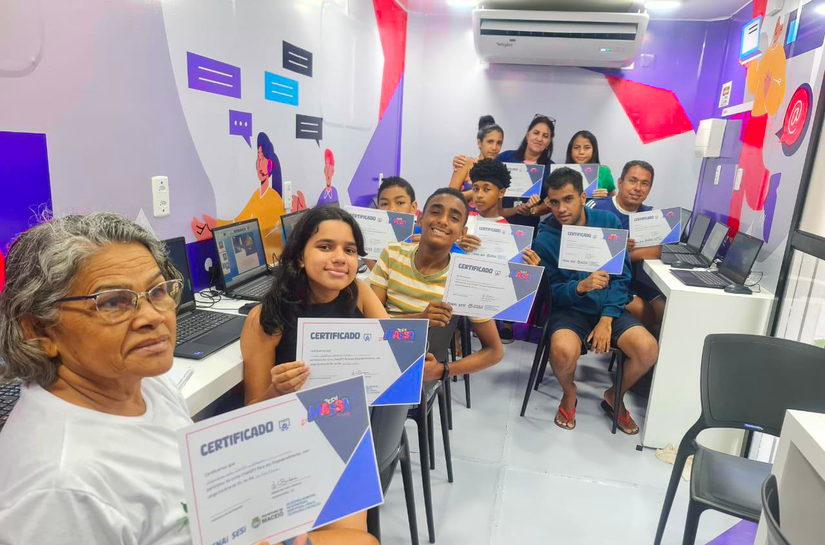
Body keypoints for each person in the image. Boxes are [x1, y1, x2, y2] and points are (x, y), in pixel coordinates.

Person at [0, 212, 376, 545]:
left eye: (158, 291)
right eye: (113, 301)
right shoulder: (59, 488)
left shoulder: (144, 382)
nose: (152, 316)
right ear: (38, 331)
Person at [533, 168, 659, 434]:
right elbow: (551, 293)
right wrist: (580, 286)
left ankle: (615, 395)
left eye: (568, 199)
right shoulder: (545, 238)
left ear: (582, 196)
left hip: (608, 309)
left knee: (647, 349)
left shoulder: (608, 223)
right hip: (570, 310)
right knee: (563, 351)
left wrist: (606, 318)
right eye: (554, 202)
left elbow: (622, 278)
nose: (561, 209)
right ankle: (569, 392)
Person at [369, 188, 518, 379]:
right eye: (436, 212)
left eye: (454, 218)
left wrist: (443, 370)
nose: (443, 220)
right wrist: (420, 319)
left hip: (416, 371)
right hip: (376, 351)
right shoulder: (392, 253)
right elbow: (372, 323)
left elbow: (494, 352)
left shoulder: (466, 278)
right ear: (420, 219)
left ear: (462, 233)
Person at [590, 160, 665, 334]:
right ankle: (629, 348)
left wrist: (618, 253)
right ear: (620, 182)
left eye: (645, 183)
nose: (638, 188)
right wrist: (620, 248)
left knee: (664, 309)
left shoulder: (649, 215)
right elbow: (586, 249)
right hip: (602, 279)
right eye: (632, 181)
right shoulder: (596, 208)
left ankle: (645, 354)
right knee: (644, 311)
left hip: (632, 280)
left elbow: (655, 251)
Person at [192, 132, 287, 261]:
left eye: (263, 158)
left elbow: (251, 235)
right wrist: (214, 225)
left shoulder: (273, 199)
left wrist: (215, 228)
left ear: (270, 164)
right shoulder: (256, 195)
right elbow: (238, 221)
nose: (260, 164)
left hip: (266, 260)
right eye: (258, 158)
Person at [450, 115, 505, 204]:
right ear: (479, 143)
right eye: (490, 142)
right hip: (464, 216)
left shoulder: (499, 171)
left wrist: (520, 208)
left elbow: (499, 209)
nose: (494, 147)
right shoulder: (465, 163)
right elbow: (449, 197)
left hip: (487, 218)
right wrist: (480, 190)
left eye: (499, 143)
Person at [565, 130, 616, 199]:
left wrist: (606, 197)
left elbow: (615, 200)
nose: (581, 152)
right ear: (570, 150)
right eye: (576, 147)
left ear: (594, 150)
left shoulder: (603, 171)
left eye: (587, 147)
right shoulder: (562, 172)